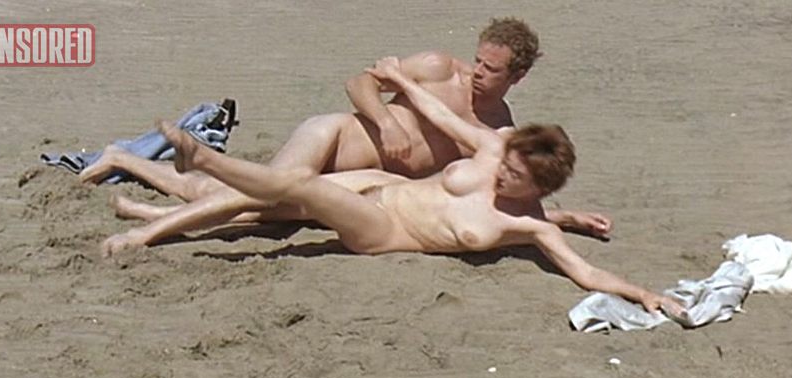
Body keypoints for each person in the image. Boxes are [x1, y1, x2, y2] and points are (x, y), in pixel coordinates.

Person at [99, 58, 685, 316]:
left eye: (516, 177)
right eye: (507, 164)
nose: (503, 174)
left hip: (383, 230)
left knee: (294, 187)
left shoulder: (529, 224)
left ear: (537, 186)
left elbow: (587, 273)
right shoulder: (492, 150)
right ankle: (147, 206)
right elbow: (443, 115)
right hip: (381, 183)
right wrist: (401, 79)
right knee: (255, 207)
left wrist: (645, 294)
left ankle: (183, 181)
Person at [80, 17, 611, 238]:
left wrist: (565, 217)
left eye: (490, 69)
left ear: (518, 76)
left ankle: (131, 167)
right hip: (335, 138)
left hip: (365, 186)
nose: (476, 73)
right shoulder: (436, 67)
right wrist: (385, 120)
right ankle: (142, 194)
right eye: (477, 60)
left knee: (257, 211)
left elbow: (495, 195)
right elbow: (358, 82)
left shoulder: (500, 128)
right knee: (254, 197)